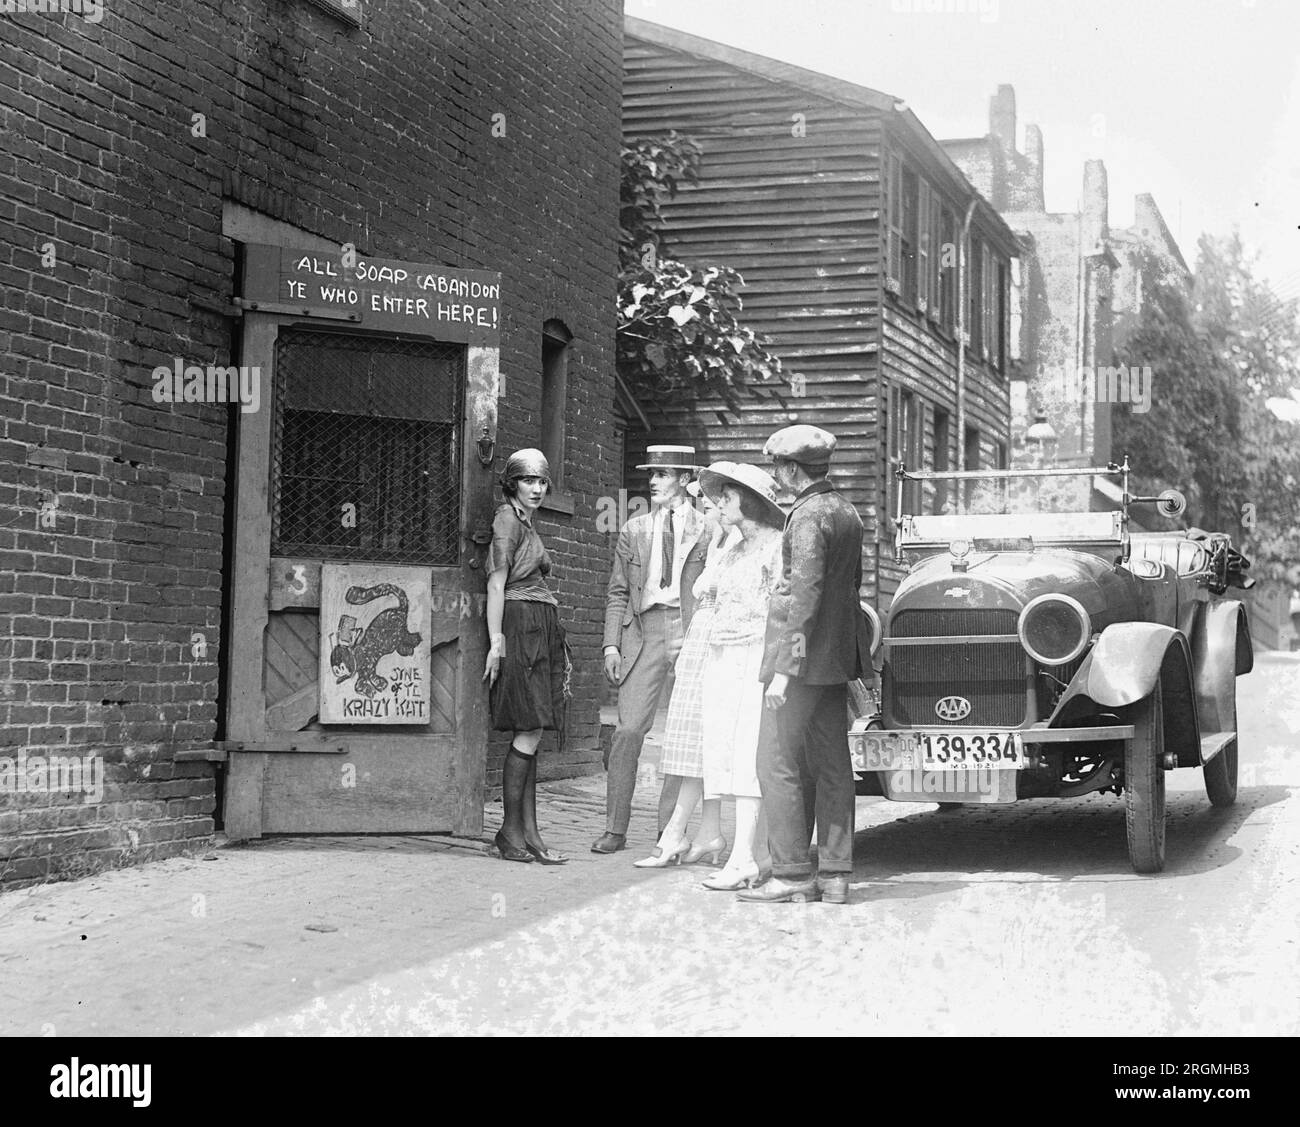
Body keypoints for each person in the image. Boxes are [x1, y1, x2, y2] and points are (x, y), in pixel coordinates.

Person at [738, 425, 872, 905]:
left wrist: (784, 668)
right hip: (836, 662)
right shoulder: (847, 511)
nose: (776, 477)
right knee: (833, 763)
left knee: (775, 761)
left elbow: (806, 594)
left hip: (801, 664)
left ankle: (792, 873)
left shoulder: (807, 516)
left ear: (792, 469)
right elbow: (850, 588)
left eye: (778, 468)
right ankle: (835, 875)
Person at [637, 463, 786, 889]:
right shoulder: (735, 549)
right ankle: (729, 850)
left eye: (728, 496)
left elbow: (785, 608)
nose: (719, 503)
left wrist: (777, 670)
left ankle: (745, 857)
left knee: (746, 755)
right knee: (719, 753)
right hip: (721, 654)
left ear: (750, 501)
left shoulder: (775, 547)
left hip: (754, 656)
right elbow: (704, 592)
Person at [593, 445, 712, 854]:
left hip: (689, 628)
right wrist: (611, 644)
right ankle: (615, 827)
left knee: (681, 733)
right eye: (652, 475)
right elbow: (617, 592)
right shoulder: (634, 529)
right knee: (628, 731)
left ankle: (668, 830)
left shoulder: (707, 528)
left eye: (662, 474)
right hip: (641, 630)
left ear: (683, 478)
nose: (654, 482)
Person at [631, 480, 734, 868]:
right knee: (694, 740)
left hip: (718, 644)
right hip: (701, 641)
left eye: (708, 505)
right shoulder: (717, 545)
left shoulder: (736, 546)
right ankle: (708, 832)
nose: (704, 512)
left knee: (702, 739)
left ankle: (676, 833)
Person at [483, 449, 570, 865]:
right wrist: (496, 640)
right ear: (512, 483)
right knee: (528, 726)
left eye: (542, 482)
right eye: (528, 481)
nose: (536, 488)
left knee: (532, 726)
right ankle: (509, 831)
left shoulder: (524, 520)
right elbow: (496, 584)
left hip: (537, 625)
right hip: (519, 626)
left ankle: (528, 832)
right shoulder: (506, 519)